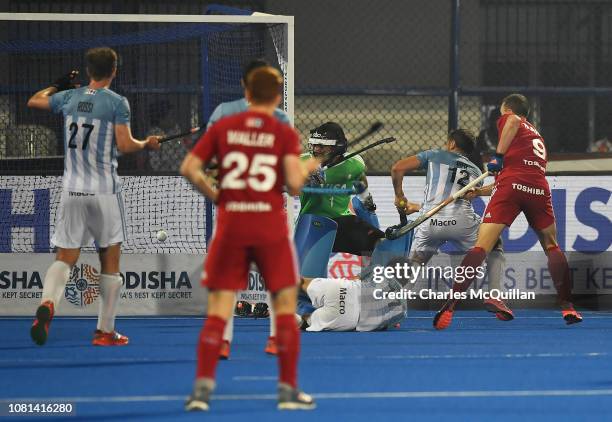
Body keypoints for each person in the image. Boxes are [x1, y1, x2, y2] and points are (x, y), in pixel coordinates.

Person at [180, 66, 319, 411]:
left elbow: (189, 169)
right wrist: (309, 166)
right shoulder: (282, 130)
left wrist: (217, 196)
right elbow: (293, 185)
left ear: (246, 91)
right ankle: (288, 392)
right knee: (285, 310)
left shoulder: (225, 127)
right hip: (270, 229)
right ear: (276, 95)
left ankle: (201, 392)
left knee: (218, 312)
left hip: (232, 228)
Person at [26, 47, 160, 346]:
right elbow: (126, 146)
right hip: (104, 193)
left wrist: (58, 85)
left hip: (72, 191)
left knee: (65, 258)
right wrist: (147, 145)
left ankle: (48, 303)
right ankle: (104, 331)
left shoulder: (70, 98)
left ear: (89, 71)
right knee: (110, 261)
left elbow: (34, 100)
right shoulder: (116, 103)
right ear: (114, 71)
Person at [433, 94, 583, 330]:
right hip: (537, 188)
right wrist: (480, 191)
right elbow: (518, 175)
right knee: (552, 246)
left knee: (482, 246)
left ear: (508, 109)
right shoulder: (537, 136)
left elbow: (511, 128)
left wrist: (498, 156)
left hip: (511, 186)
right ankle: (568, 306)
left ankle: (451, 302)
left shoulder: (511, 119)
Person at [208, 59, 291, 360]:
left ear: (244, 84)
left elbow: (208, 164)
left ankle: (224, 340)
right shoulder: (280, 118)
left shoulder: (222, 113)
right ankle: (274, 339)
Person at [391, 129, 513, 320]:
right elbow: (458, 201)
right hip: (461, 222)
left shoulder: (433, 155)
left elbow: (397, 168)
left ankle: (394, 312)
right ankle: (494, 295)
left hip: (430, 221)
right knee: (494, 244)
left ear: (452, 144)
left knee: (416, 262)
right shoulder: (476, 170)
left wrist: (400, 195)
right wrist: (415, 207)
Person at [300, 122, 382, 256]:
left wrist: (368, 203)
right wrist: (304, 179)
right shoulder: (302, 162)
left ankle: (374, 274)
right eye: (314, 145)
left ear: (336, 147)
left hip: (342, 222)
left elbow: (361, 184)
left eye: (321, 146)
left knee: (382, 244)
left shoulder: (354, 163)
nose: (316, 149)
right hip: (312, 223)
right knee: (310, 266)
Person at [297, 257, 409, 332]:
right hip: (350, 319)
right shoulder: (401, 312)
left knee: (301, 282)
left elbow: (353, 279)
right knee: (305, 322)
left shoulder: (379, 270)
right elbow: (388, 325)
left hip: (343, 290)